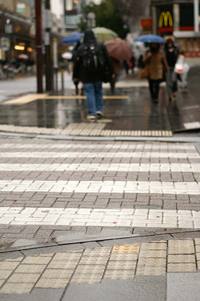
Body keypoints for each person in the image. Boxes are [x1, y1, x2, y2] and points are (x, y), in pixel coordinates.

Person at [73, 30, 112, 120]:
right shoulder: (100, 46)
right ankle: (99, 110)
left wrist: (75, 76)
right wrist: (111, 72)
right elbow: (107, 60)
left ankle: (92, 112)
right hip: (99, 74)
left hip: (86, 76)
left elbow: (77, 64)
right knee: (98, 91)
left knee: (89, 92)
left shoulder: (81, 48)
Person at [164, 37, 179, 101]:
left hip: (174, 67)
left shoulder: (175, 49)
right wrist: (166, 66)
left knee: (174, 80)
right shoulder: (165, 50)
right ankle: (169, 95)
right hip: (168, 67)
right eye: (168, 42)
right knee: (168, 81)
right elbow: (164, 59)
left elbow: (178, 57)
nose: (169, 43)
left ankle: (174, 93)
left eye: (170, 42)